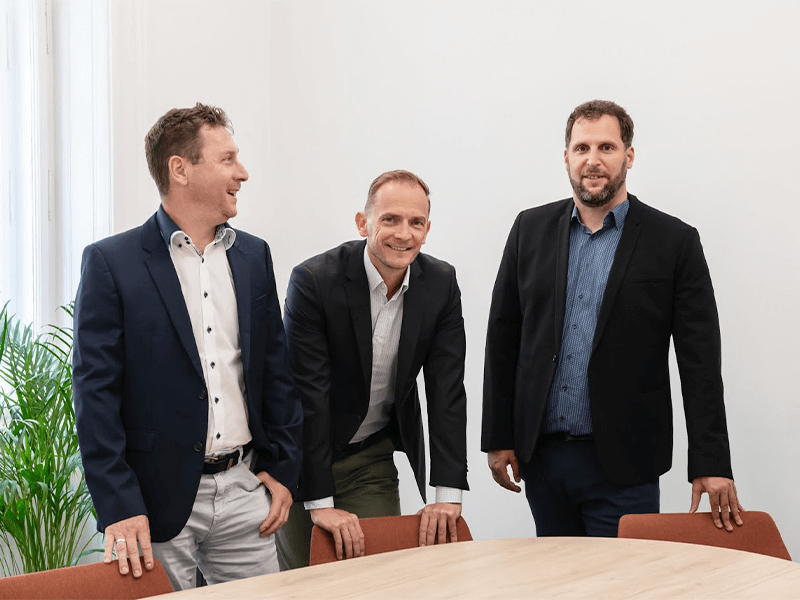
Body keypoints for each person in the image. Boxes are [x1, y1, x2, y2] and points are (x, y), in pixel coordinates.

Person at [482, 100, 743, 537]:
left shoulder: (674, 241)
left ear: (629, 155)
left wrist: (711, 462)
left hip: (627, 462)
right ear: (566, 157)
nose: (593, 160)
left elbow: (699, 361)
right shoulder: (529, 229)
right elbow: (503, 337)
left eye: (606, 147)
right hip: (542, 460)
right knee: (558, 585)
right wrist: (498, 435)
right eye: (582, 147)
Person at [72, 103, 302, 590]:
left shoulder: (255, 255)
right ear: (180, 168)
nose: (242, 173)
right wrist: (120, 505)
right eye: (227, 160)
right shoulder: (111, 264)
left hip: (246, 492)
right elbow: (96, 396)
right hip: (152, 504)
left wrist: (282, 469)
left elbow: (274, 370)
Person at [275, 170, 469, 568]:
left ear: (427, 229)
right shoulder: (313, 281)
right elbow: (306, 395)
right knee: (305, 584)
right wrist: (320, 502)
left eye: (416, 222)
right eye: (390, 219)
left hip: (369, 458)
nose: (404, 233)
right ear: (363, 222)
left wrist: (448, 496)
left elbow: (446, 390)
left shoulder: (441, 283)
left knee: (378, 577)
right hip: (301, 459)